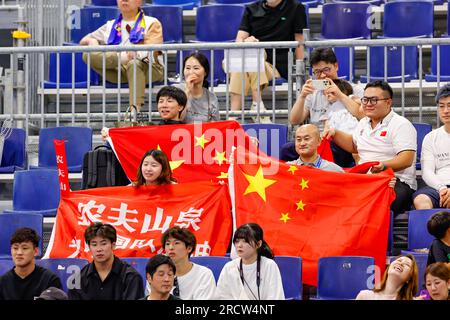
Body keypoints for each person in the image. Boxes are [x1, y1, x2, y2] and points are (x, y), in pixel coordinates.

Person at [323, 80, 417, 216]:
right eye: (365, 100)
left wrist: (383, 166)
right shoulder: (363, 123)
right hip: (365, 180)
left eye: (373, 100)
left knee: (370, 205)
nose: (367, 104)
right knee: (331, 197)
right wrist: (335, 133)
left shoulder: (401, 124)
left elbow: (406, 159)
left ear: (388, 102)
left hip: (396, 181)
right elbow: (354, 146)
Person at [79, 0, 164, 118]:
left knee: (134, 64)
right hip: (120, 70)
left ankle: (134, 113)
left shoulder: (152, 22)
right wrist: (91, 41)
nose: (124, 0)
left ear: (139, 2)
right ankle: (122, 58)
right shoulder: (111, 25)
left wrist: (134, 55)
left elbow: (151, 51)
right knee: (87, 55)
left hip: (149, 69)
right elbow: (83, 40)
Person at [229, 0, 307, 123]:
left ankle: (233, 116)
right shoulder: (251, 9)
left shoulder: (296, 8)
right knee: (248, 58)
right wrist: (247, 41)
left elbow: (299, 42)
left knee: (245, 62)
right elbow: (239, 40)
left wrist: (300, 69)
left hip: (278, 67)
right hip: (255, 62)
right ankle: (257, 107)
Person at [286, 48, 365, 167]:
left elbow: (361, 115)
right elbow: (294, 120)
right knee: (286, 150)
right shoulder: (313, 93)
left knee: (334, 150)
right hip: (315, 140)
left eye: (326, 70)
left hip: (342, 140)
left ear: (336, 66)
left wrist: (340, 94)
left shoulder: (354, 89)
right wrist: (302, 96)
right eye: (317, 72)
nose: (322, 75)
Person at [68, 222, 144, 300]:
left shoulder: (131, 277)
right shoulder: (78, 280)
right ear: (89, 247)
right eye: (94, 244)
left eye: (103, 244)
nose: (99, 249)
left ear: (113, 245)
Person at [216, 223, 284, 300]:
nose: (239, 245)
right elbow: (221, 296)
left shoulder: (269, 265)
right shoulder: (229, 267)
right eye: (237, 241)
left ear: (258, 244)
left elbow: (276, 297)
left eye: (245, 241)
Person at [413, 84, 450, 209]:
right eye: (441, 106)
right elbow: (427, 172)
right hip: (439, 187)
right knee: (421, 201)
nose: (445, 111)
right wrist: (442, 188)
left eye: (449, 105)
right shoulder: (431, 137)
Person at [0, 228, 62, 300]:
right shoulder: (2, 283)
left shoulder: (50, 280)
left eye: (25, 248)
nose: (19, 253)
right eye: (15, 248)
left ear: (36, 251)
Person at [161, 226, 216, 300]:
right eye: (167, 244)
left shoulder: (204, 274)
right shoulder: (158, 274)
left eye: (176, 243)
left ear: (189, 248)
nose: (171, 247)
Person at [181, 52, 220, 123]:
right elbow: (178, 119)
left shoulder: (211, 97)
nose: (191, 72)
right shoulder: (176, 92)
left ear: (205, 72)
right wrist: (187, 91)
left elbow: (214, 125)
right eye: (188, 68)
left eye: (196, 68)